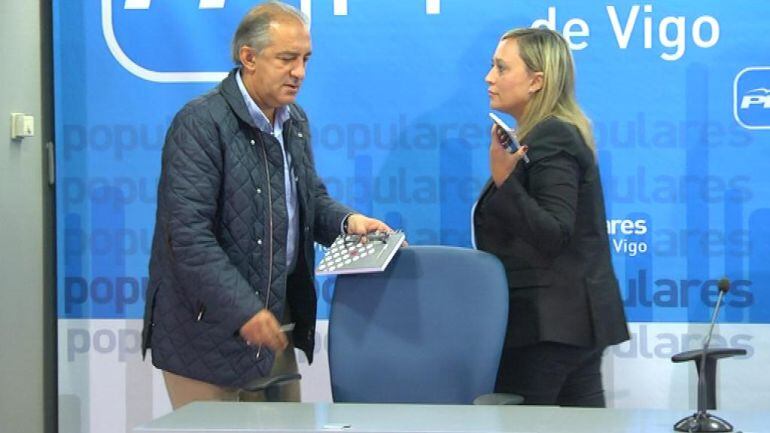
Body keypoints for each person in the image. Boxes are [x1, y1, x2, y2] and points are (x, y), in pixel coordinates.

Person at [141, 1, 392, 409]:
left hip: (272, 328)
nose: (300, 72)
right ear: (249, 58)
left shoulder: (293, 121)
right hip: (208, 336)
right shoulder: (200, 124)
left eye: (305, 59)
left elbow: (307, 198)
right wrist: (244, 311)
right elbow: (187, 238)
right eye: (287, 59)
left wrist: (348, 222)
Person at [473, 27, 630, 407]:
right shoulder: (547, 134)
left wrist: (505, 180)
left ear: (536, 81)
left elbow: (554, 231)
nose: (489, 77)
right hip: (566, 326)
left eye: (501, 67)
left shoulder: (552, 136)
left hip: (548, 330)